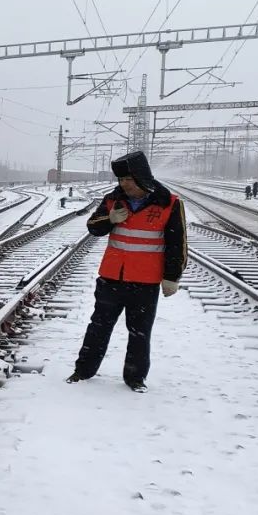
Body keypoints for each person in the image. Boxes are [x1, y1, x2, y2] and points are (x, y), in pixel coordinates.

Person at [67, 151, 186, 393]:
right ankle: (83, 370)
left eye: (128, 180)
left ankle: (135, 378)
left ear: (142, 178)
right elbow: (93, 227)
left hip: (145, 281)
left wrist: (172, 277)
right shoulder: (113, 200)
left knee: (140, 333)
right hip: (112, 277)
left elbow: (177, 243)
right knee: (98, 327)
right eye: (121, 180)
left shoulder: (169, 203)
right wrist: (109, 219)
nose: (124, 184)